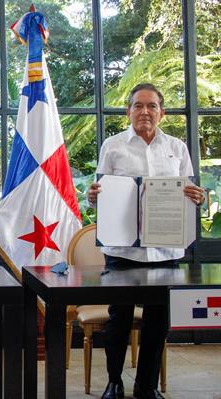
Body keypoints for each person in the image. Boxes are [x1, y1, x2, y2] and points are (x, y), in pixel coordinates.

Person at [88, 83, 205, 399]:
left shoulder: (177, 149)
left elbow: (190, 193)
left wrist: (197, 196)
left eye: (151, 106)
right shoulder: (112, 147)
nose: (144, 112)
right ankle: (114, 382)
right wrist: (93, 196)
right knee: (118, 322)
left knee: (157, 324)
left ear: (162, 112)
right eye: (138, 106)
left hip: (165, 251)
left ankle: (146, 386)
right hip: (122, 251)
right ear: (128, 112)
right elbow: (98, 196)